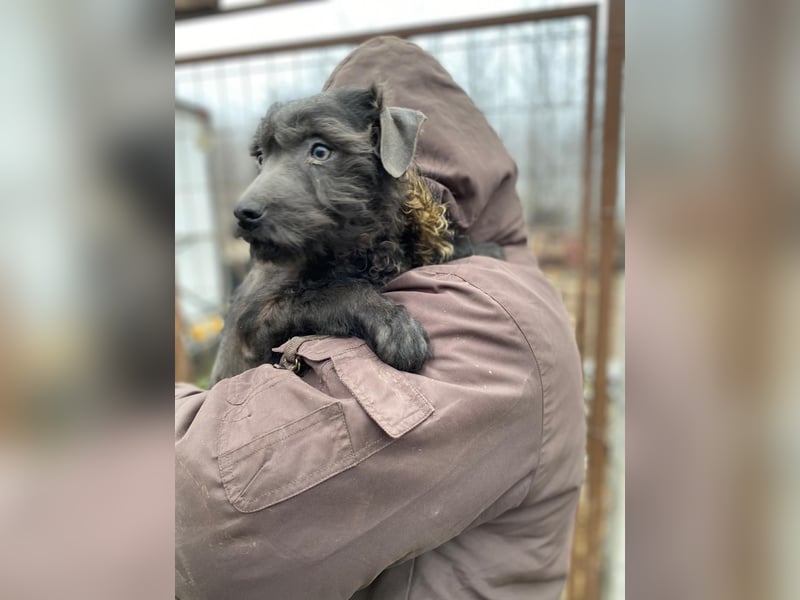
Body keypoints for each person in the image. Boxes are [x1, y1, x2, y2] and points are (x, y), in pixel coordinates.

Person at [175, 36, 585, 600]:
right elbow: (259, 318)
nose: (256, 191)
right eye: (266, 155)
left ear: (394, 153)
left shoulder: (491, 312)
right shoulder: (358, 265)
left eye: (320, 151)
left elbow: (208, 523)